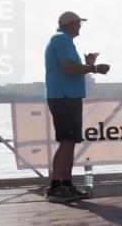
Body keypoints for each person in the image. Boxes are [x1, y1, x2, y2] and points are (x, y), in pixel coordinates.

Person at [44, 11, 110, 202]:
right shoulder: (62, 40)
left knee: (69, 142)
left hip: (66, 96)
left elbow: (70, 67)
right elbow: (69, 68)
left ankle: (64, 184)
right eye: (78, 24)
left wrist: (88, 65)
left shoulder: (62, 40)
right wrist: (95, 68)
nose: (80, 27)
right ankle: (56, 186)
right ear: (71, 25)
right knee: (67, 141)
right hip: (64, 97)